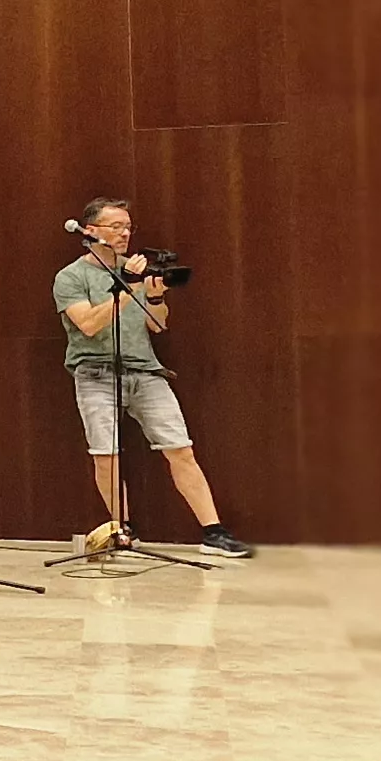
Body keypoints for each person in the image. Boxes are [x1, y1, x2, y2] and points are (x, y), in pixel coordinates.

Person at [55, 196, 250, 558]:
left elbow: (157, 325)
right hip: (95, 373)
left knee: (180, 448)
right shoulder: (71, 277)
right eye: (116, 227)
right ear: (90, 231)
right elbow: (88, 324)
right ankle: (123, 530)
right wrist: (129, 287)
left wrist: (156, 296)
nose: (124, 234)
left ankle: (213, 531)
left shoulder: (136, 268)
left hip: (145, 371)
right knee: (106, 455)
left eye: (128, 227)